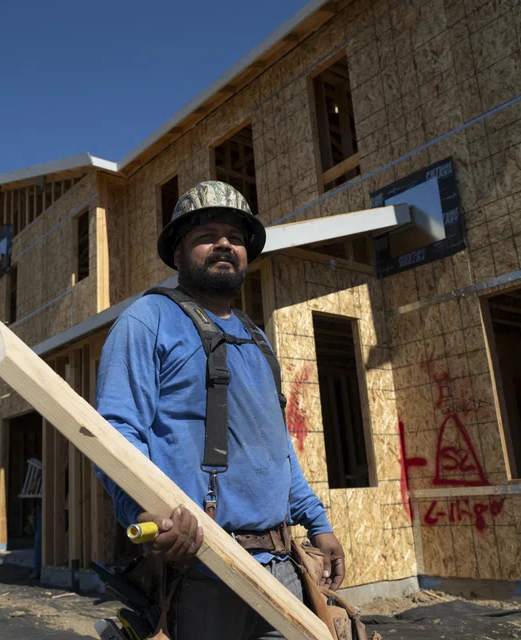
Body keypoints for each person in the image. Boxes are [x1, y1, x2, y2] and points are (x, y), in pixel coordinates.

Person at [95, 181, 344, 639]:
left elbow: (277, 446)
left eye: (235, 236)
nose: (225, 243)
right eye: (207, 234)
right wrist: (143, 513)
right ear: (177, 252)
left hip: (284, 567)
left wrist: (318, 521)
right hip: (204, 571)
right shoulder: (147, 320)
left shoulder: (257, 339)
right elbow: (114, 434)